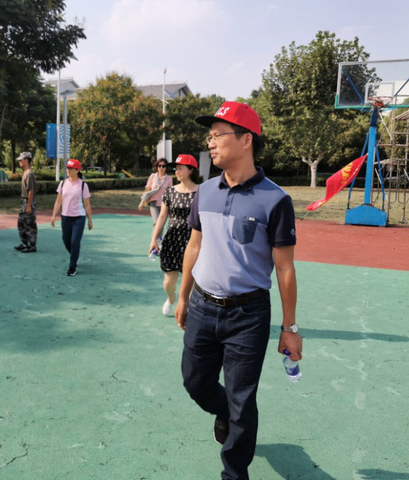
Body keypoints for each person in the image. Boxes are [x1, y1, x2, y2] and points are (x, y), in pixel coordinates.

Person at [175, 102, 301, 480]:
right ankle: (224, 411)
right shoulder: (205, 192)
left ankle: (234, 473)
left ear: (246, 140)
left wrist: (290, 328)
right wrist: (183, 296)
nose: (210, 143)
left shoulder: (275, 199)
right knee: (195, 382)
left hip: (248, 315)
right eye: (209, 136)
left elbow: (285, 267)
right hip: (202, 306)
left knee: (243, 401)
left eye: (218, 135)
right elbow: (194, 246)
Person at [148, 154, 199, 316]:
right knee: (168, 283)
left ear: (191, 170)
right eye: (176, 169)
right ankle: (171, 298)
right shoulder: (170, 192)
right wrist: (154, 239)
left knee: (192, 282)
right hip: (172, 240)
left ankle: (190, 311)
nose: (177, 171)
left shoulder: (201, 192)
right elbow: (162, 217)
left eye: (180, 168)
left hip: (194, 241)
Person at [50, 159, 93, 276]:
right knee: (66, 241)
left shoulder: (83, 185)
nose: (68, 170)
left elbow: (87, 204)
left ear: (77, 170)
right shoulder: (63, 184)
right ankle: (75, 255)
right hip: (65, 217)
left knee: (75, 242)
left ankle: (72, 267)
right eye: (67, 168)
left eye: (71, 168)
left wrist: (90, 220)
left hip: (79, 217)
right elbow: (58, 201)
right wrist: (53, 215)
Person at [139, 158, 173, 227]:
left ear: (166, 167)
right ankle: (156, 235)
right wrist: (142, 202)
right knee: (156, 223)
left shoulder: (169, 179)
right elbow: (147, 191)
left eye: (163, 166)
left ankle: (158, 235)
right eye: (159, 166)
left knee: (161, 224)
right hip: (153, 203)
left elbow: (170, 193)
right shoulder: (152, 176)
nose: (161, 168)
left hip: (164, 204)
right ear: (156, 167)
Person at [14, 151, 37, 253]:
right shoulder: (26, 172)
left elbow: (31, 191)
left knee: (29, 224)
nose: (19, 161)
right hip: (24, 200)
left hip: (28, 201)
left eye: (21, 160)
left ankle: (32, 245)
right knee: (21, 223)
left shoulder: (29, 174)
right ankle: (24, 244)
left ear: (26, 160)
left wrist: (29, 206)